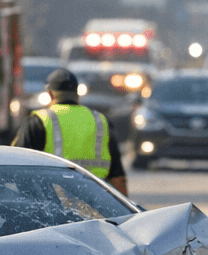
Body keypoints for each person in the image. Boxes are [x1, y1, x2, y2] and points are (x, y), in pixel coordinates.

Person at [11, 67, 128, 196]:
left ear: (50, 94)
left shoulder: (39, 121)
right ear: (77, 94)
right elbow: (118, 177)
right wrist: (126, 207)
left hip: (53, 201)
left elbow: (17, 167)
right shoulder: (100, 121)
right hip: (96, 201)